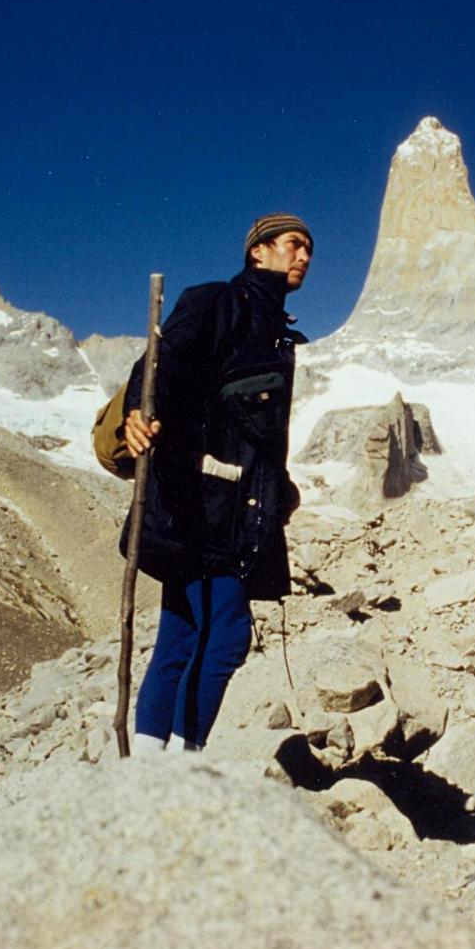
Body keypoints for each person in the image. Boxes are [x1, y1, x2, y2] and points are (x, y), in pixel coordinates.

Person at [120, 212, 311, 752]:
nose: (303, 257)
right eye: (293, 245)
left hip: (233, 507)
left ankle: (149, 772)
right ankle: (183, 766)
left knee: (182, 635)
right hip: (202, 503)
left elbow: (255, 434)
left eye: (308, 251)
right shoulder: (216, 301)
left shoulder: (279, 335)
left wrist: (281, 490)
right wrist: (139, 410)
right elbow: (161, 362)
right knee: (225, 637)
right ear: (258, 252)